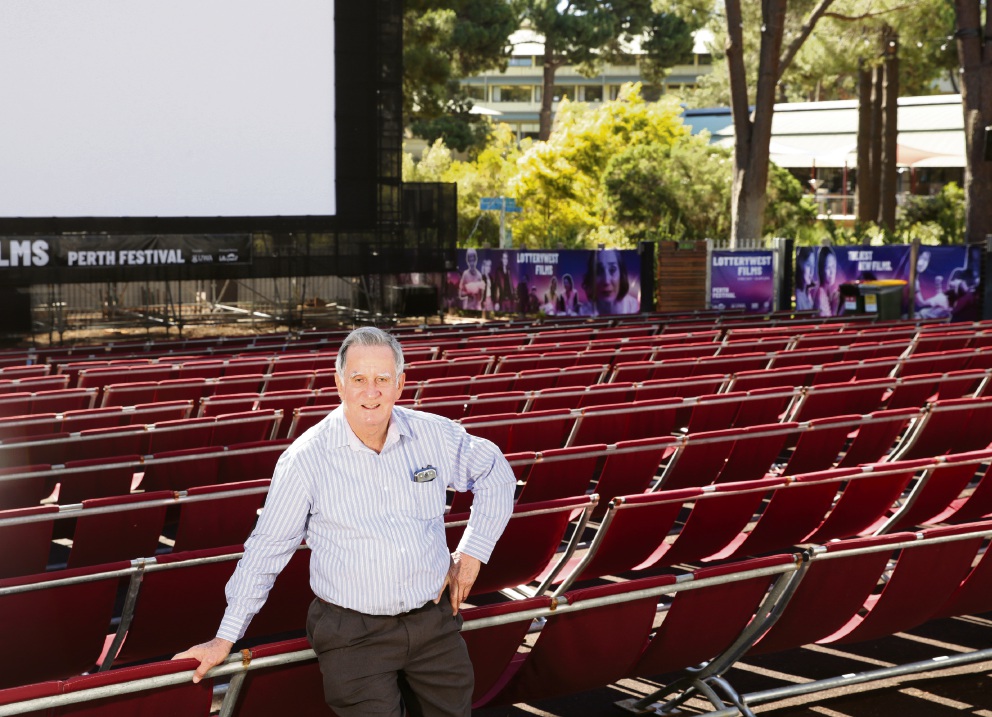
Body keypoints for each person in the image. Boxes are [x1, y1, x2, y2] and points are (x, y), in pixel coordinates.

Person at [174, 327, 515, 717]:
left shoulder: (434, 434)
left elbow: (496, 473)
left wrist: (472, 554)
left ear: (400, 384)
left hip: (434, 623)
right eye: (359, 379)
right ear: (339, 383)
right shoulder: (306, 459)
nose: (371, 392)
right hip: (353, 634)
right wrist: (224, 638)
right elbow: (267, 549)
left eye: (382, 380)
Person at [580, 249, 639, 315]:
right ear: (591, 277)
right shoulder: (582, 312)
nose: (606, 281)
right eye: (599, 271)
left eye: (612, 270)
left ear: (621, 274)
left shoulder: (633, 307)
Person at [814, 245, 841, 317]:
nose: (832, 272)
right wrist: (835, 307)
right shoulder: (821, 295)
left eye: (833, 267)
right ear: (822, 269)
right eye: (828, 267)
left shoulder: (829, 292)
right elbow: (825, 324)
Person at [794, 247, 817, 311]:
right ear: (800, 264)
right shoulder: (798, 295)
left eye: (813, 266)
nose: (811, 272)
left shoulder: (808, 292)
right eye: (808, 265)